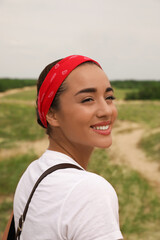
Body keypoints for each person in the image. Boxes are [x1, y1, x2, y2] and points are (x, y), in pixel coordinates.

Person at [13, 55, 123, 239]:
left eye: (109, 97)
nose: (106, 111)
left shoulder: (33, 173)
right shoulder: (89, 191)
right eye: (88, 99)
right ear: (52, 115)